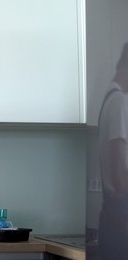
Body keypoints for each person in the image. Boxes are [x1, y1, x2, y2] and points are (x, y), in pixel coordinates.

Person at [98, 42, 128, 259]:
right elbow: (119, 177)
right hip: (120, 216)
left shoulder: (109, 100)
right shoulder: (119, 101)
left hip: (112, 215)